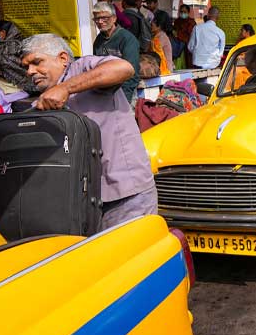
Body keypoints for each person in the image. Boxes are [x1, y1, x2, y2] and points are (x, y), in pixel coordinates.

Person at [20, 34, 157, 228]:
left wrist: (66, 88)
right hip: (84, 200)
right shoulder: (45, 98)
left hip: (126, 195)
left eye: (36, 62)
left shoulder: (83, 67)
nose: (30, 71)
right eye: (26, 67)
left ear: (63, 58)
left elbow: (124, 68)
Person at [92, 1, 141, 103]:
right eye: (97, 19)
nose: (100, 22)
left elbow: (132, 74)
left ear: (114, 18)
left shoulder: (127, 39)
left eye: (104, 18)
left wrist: (123, 101)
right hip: (105, 95)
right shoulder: (99, 40)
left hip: (124, 94)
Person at [0, 20, 35, 95]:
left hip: (15, 87)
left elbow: (9, 64)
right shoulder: (0, 45)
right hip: (4, 86)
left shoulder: (15, 45)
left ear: (3, 33)